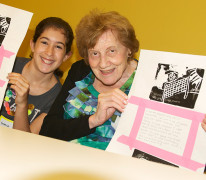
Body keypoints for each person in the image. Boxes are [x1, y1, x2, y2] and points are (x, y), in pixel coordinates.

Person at [38, 10, 206, 150]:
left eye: (112, 51)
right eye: (94, 53)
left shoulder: (151, 82)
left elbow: (169, 146)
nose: (103, 63)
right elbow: (47, 130)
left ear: (129, 49)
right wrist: (93, 120)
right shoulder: (80, 71)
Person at [0, 17, 73, 134]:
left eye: (58, 46)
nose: (49, 52)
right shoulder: (8, 64)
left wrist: (22, 104)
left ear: (66, 56)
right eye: (44, 42)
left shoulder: (58, 99)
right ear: (32, 45)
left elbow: (24, 143)